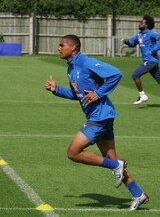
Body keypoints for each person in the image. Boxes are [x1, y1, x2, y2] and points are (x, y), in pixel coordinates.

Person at [44, 34, 149, 210]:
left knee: (73, 152)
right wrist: (57, 90)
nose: (58, 48)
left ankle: (116, 165)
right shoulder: (71, 68)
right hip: (102, 117)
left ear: (73, 48)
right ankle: (138, 194)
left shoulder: (86, 62)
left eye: (62, 45)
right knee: (110, 158)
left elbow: (116, 74)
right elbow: (78, 95)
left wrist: (99, 93)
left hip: (99, 117)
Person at [122, 15, 160, 109]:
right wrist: (126, 42)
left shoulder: (151, 33)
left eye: (142, 22)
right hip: (151, 61)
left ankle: (142, 95)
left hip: (150, 61)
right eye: (140, 22)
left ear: (147, 25)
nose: (140, 23)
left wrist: (154, 50)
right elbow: (132, 43)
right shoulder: (139, 35)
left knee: (135, 75)